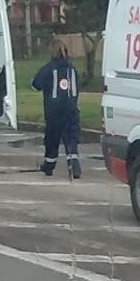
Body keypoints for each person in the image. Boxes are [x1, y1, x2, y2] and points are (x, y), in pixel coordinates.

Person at [32, 38, 81, 178]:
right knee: (71, 137)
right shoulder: (72, 69)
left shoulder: (49, 68)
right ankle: (74, 166)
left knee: (52, 139)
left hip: (53, 111)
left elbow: (36, 84)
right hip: (71, 108)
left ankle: (49, 165)